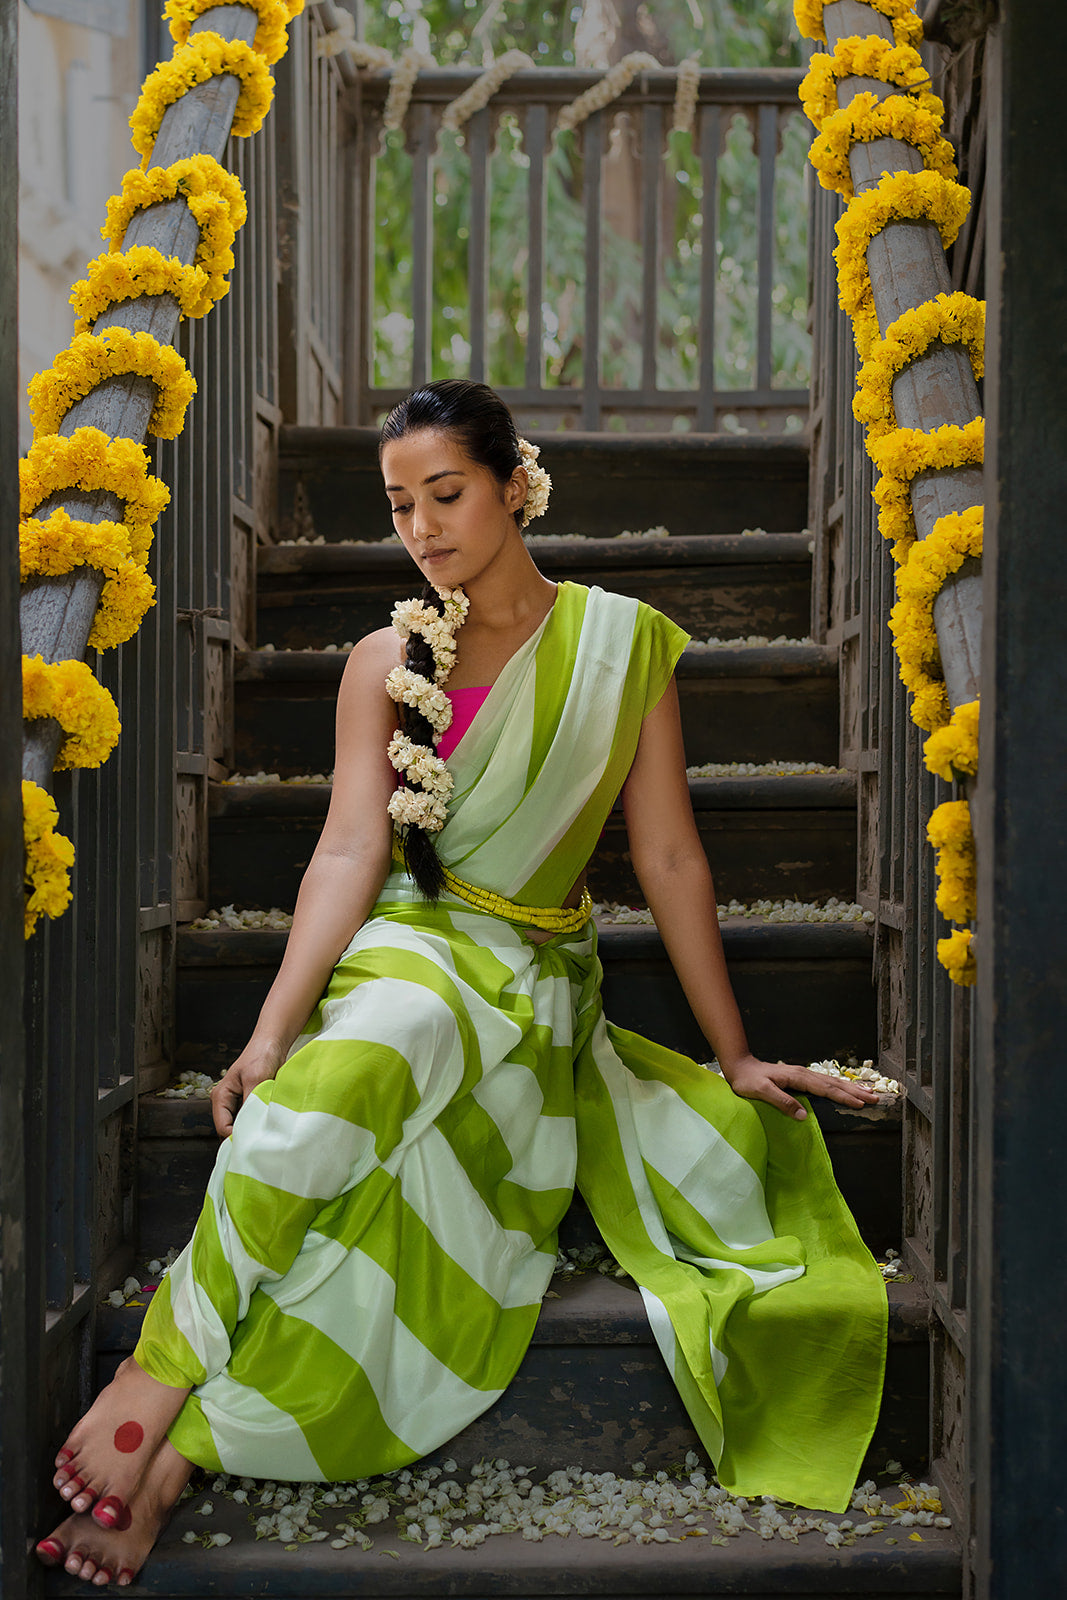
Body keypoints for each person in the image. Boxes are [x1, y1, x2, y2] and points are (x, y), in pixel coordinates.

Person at [36, 380, 886, 1587]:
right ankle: (157, 1367)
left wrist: (734, 1052)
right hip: (411, 945)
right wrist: (273, 1028)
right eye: (398, 506)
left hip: (534, 972)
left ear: (511, 485)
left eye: (445, 494)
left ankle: (177, 1457)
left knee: (414, 1221)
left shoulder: (622, 646)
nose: (422, 527)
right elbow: (346, 848)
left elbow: (668, 856)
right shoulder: (386, 658)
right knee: (375, 1045)